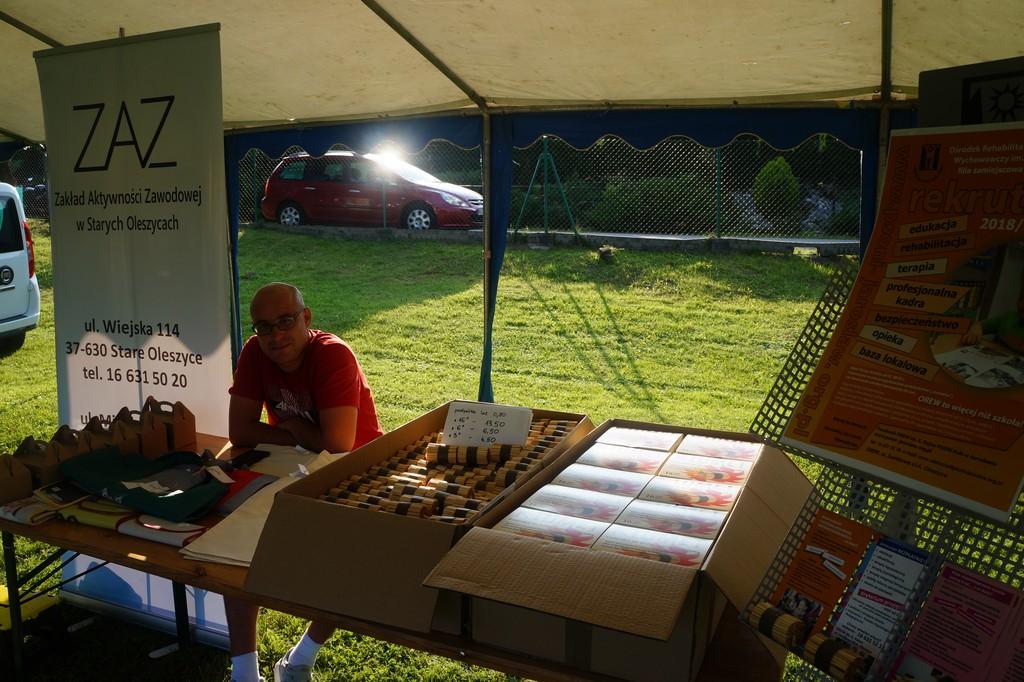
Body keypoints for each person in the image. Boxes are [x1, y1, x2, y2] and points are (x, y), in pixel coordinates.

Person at [226, 282, 383, 682]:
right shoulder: (254, 351)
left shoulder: (333, 354)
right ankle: (245, 674)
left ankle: (300, 660)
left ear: (306, 318)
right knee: (234, 546)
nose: (275, 336)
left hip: (356, 470)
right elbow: (239, 431)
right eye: (264, 327)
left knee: (349, 563)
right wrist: (297, 432)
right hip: (291, 466)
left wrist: (291, 428)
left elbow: (339, 444)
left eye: (285, 321)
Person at [962, 281, 1024, 354]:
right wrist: (975, 330)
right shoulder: (1008, 317)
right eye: (1022, 299)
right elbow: (979, 324)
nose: (1022, 306)